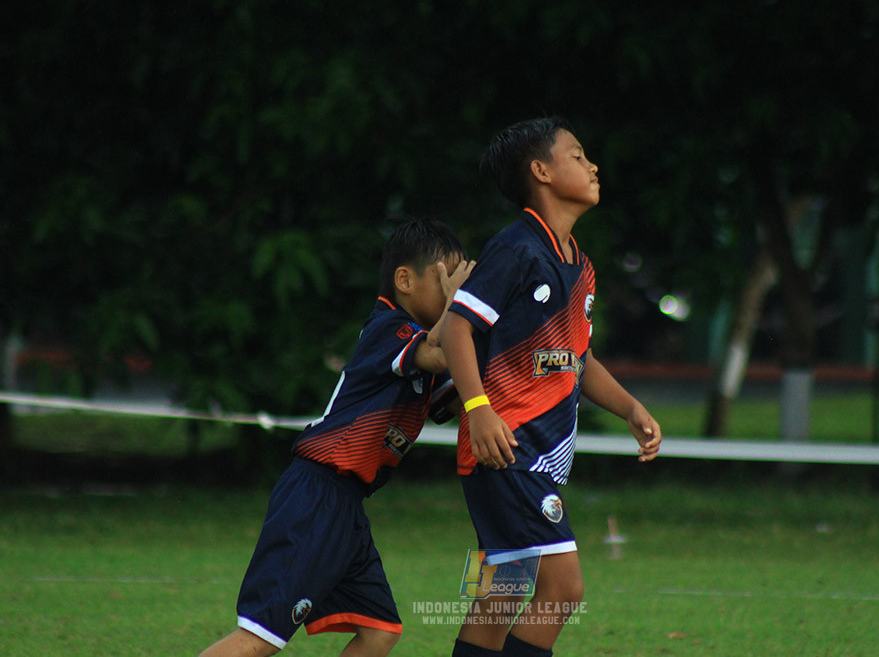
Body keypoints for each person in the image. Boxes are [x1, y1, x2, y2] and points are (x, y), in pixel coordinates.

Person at [200, 219, 474, 657]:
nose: (455, 294)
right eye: (446, 281)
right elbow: (443, 352)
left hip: (346, 505)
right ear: (405, 280)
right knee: (260, 639)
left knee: (380, 630)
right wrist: (459, 311)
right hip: (316, 494)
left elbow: (463, 387)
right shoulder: (390, 328)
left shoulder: (423, 349)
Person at [440, 118, 662, 657]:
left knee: (503, 594)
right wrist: (479, 408)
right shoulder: (517, 249)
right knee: (562, 589)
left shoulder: (579, 265)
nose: (592, 166)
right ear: (541, 171)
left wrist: (630, 407)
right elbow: (456, 328)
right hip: (507, 449)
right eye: (578, 155)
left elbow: (576, 357)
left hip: (534, 455)